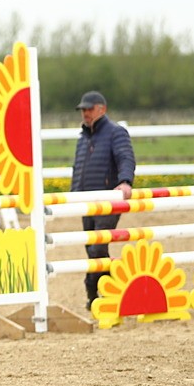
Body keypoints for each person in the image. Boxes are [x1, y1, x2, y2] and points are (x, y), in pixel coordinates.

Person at [70, 90, 136, 309]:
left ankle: (93, 289)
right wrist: (73, 194)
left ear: (102, 109)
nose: (85, 113)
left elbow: (126, 157)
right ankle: (107, 291)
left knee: (97, 248)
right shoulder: (83, 138)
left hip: (108, 199)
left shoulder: (116, 132)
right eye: (83, 110)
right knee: (93, 249)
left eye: (89, 109)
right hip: (87, 202)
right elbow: (78, 169)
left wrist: (125, 181)